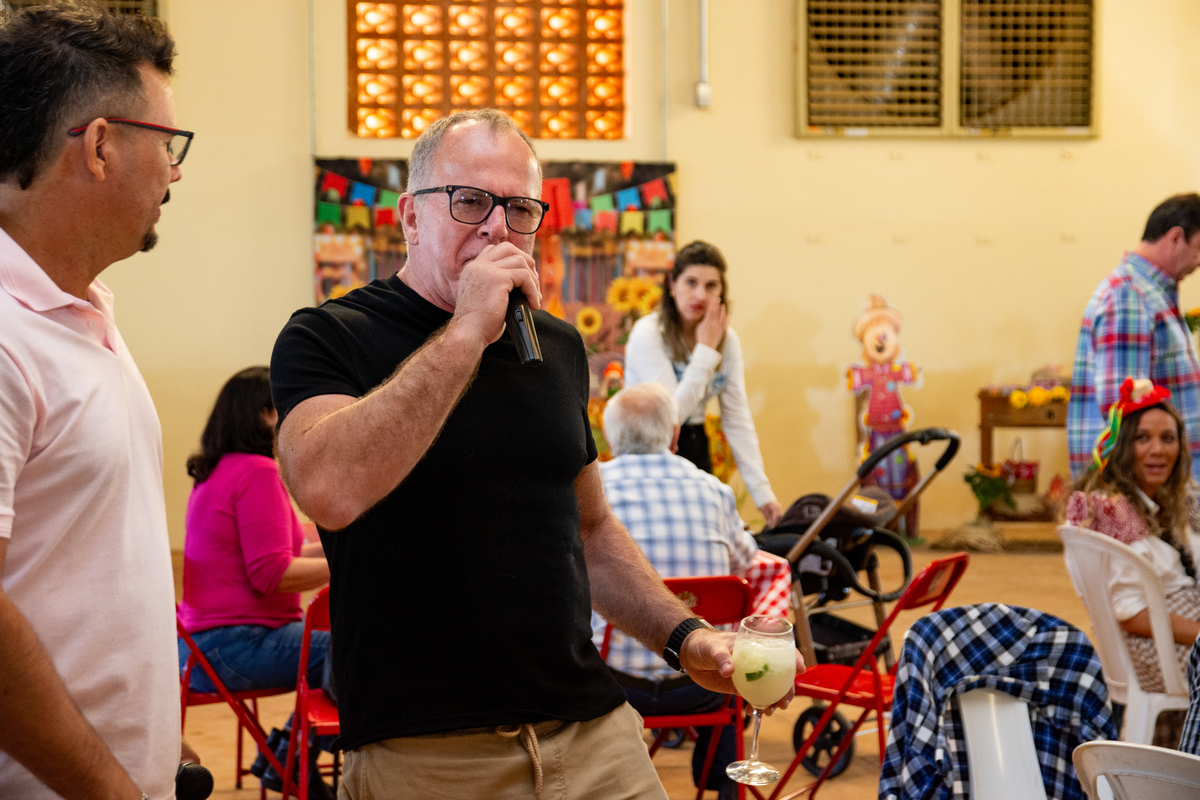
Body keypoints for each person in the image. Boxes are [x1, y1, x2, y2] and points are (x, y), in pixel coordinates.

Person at [270, 108, 803, 799]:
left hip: (593, 728)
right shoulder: (329, 336)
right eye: (469, 201)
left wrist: (686, 637)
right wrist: (468, 330)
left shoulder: (555, 346)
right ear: (410, 216)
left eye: (520, 209)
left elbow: (590, 530)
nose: (497, 227)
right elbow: (328, 489)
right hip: (427, 748)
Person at [0, 3, 189, 798]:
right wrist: (109, 787)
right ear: (102, 145)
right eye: (169, 143)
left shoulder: (86, 310)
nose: (175, 172)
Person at [594, 383, 759, 800]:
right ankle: (722, 778)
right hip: (703, 684)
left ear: (608, 437)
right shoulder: (714, 490)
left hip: (614, 685)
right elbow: (745, 561)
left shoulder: (592, 493)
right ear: (674, 434)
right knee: (726, 656)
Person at [176, 366, 333, 798]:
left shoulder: (219, 471)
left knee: (349, 644)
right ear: (265, 414)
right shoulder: (258, 472)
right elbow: (272, 574)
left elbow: (281, 553)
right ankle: (293, 755)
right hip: (234, 646)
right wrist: (348, 563)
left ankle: (286, 753)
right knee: (359, 646)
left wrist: (344, 549)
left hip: (202, 652)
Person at [1065, 378, 1200, 746]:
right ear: (1123, 446)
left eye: (1168, 438)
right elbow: (1132, 613)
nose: (1158, 450)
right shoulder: (1114, 511)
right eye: (1142, 438)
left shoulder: (1167, 501)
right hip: (1161, 653)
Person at [624, 240, 783, 527]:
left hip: (697, 442)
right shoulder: (648, 333)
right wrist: (706, 352)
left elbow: (736, 418)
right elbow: (670, 416)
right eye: (691, 282)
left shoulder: (727, 340)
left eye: (711, 286)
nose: (700, 294)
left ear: (722, 292)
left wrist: (762, 494)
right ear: (672, 283)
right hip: (650, 448)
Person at [1068, 193, 1200, 480]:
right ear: (1176, 238)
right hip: (1145, 484)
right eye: (1199, 248)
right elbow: (1125, 411)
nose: (1198, 262)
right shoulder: (1129, 295)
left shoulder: (1148, 293)